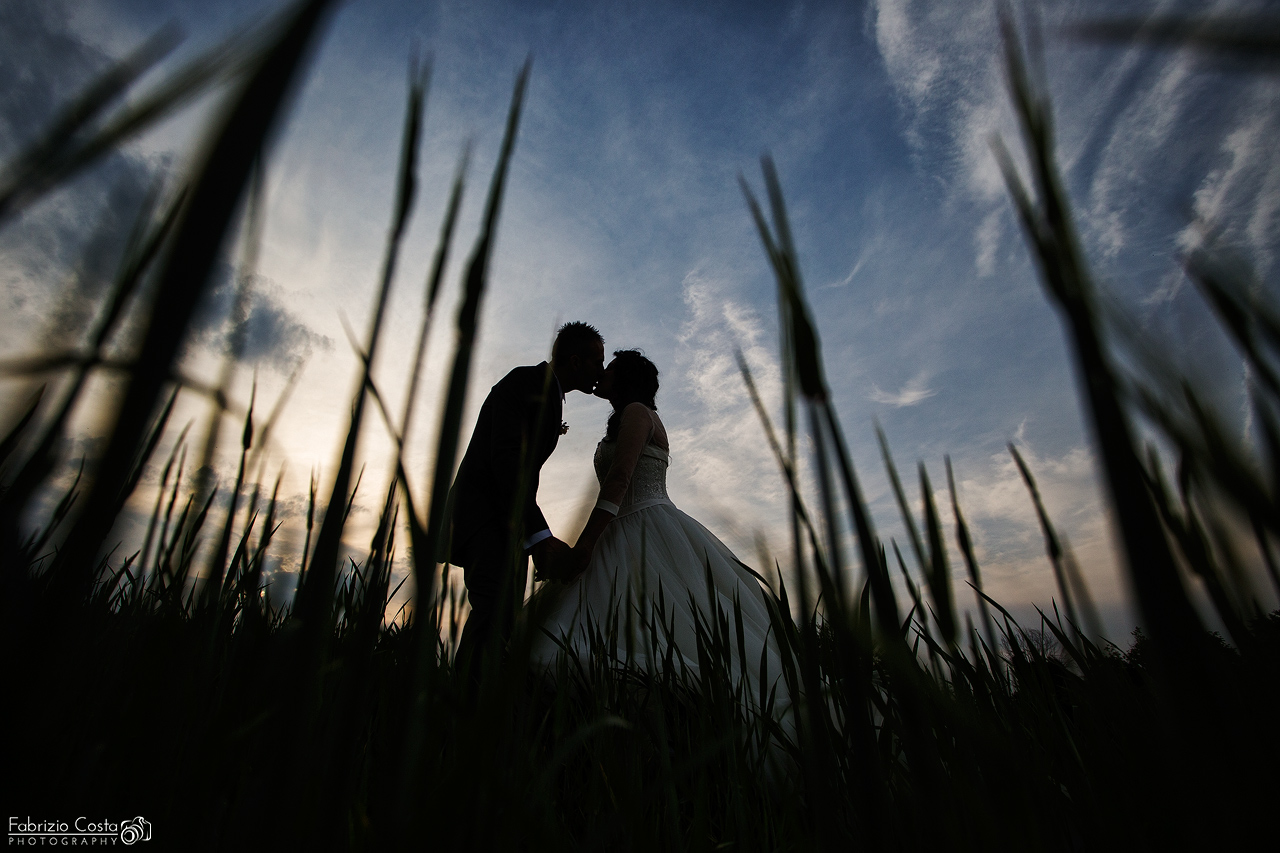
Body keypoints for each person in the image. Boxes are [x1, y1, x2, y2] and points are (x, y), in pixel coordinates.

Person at [530, 350, 792, 730]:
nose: (602, 373)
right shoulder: (632, 414)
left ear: (627, 378)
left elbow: (620, 478)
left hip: (641, 525)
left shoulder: (636, 411)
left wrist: (585, 546)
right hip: (628, 526)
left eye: (611, 368)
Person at [446, 321, 605, 676]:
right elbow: (506, 463)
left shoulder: (547, 392)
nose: (602, 370)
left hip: (508, 523)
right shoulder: (528, 383)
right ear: (575, 362)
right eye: (597, 361)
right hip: (486, 519)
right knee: (493, 616)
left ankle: (472, 709)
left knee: (501, 618)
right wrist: (540, 538)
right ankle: (459, 713)